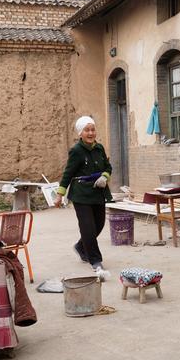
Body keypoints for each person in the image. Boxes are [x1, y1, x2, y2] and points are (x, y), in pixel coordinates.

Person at [55, 116, 112, 273]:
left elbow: (108, 167)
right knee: (88, 228)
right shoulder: (76, 151)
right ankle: (95, 260)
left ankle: (81, 246)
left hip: (98, 192)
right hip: (81, 195)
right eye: (87, 130)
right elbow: (68, 174)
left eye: (92, 129)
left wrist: (104, 177)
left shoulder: (99, 148)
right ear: (80, 133)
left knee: (98, 225)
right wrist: (60, 194)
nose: (90, 133)